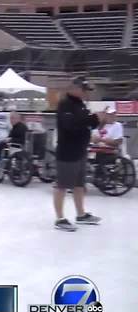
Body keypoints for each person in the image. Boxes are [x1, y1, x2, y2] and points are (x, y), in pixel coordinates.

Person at [53, 76, 104, 232]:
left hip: (80, 150)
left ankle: (81, 214)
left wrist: (99, 119)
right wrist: (92, 118)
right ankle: (59, 218)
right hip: (68, 152)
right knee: (62, 185)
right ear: (74, 89)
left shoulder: (80, 104)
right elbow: (71, 126)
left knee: (79, 185)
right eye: (84, 90)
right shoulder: (65, 105)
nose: (86, 93)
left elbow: (86, 124)